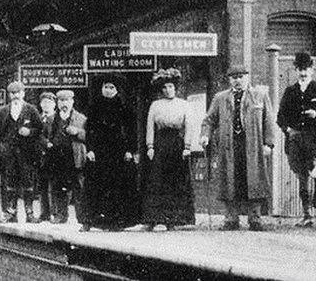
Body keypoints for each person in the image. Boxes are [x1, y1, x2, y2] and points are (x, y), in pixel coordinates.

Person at [199, 65, 276, 231]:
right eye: (234, 77)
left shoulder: (259, 96)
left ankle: (255, 219)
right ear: (229, 79)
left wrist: (268, 143)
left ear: (247, 77)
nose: (238, 80)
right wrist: (205, 135)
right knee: (230, 180)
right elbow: (209, 120)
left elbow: (268, 121)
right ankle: (231, 219)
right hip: (229, 146)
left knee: (254, 180)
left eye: (241, 76)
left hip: (253, 146)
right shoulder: (221, 98)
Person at [79, 73, 140, 232]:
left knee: (117, 185)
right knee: (95, 185)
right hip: (99, 151)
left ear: (117, 90)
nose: (108, 90)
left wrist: (130, 150)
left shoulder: (125, 107)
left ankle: (116, 221)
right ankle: (89, 221)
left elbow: (132, 130)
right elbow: (89, 129)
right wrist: (90, 149)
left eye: (111, 87)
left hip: (118, 151)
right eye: (105, 87)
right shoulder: (94, 107)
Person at [141, 68, 195, 230]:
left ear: (175, 88)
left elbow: (189, 126)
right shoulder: (155, 105)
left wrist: (187, 146)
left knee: (175, 180)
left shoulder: (184, 104)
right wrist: (150, 146)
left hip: (177, 145)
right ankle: (156, 218)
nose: (167, 90)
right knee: (158, 180)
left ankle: (174, 218)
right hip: (160, 144)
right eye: (164, 87)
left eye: (170, 86)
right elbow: (150, 126)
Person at [0, 81, 43, 223]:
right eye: (12, 93)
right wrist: (1, 146)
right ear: (9, 95)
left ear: (23, 93)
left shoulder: (31, 110)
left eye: (18, 92)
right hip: (9, 155)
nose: (15, 96)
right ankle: (11, 212)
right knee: (10, 182)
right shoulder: (4, 111)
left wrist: (30, 132)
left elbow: (40, 129)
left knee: (28, 182)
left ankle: (29, 213)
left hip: (27, 154)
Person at [276, 52, 316, 226]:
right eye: (300, 69)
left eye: (306, 68)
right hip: (296, 141)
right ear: (295, 70)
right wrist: (288, 130)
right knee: (301, 177)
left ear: (312, 69)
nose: (303, 72)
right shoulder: (290, 91)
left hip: (314, 139)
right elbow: (280, 117)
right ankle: (307, 214)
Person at [42, 90, 87, 223]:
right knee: (58, 188)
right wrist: (47, 143)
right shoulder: (51, 119)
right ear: (57, 103)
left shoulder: (81, 118)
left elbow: (89, 136)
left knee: (79, 188)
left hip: (74, 157)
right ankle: (61, 216)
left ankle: (82, 217)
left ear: (72, 101)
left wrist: (78, 132)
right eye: (61, 101)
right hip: (57, 158)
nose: (64, 104)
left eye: (67, 100)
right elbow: (41, 136)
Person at [35, 92, 56, 222]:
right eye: (43, 102)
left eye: (49, 102)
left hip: (52, 156)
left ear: (54, 105)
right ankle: (44, 212)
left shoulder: (56, 118)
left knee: (52, 186)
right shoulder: (38, 118)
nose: (46, 105)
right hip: (40, 157)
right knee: (41, 186)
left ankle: (53, 212)